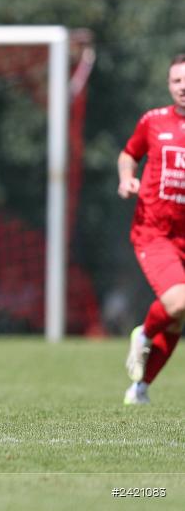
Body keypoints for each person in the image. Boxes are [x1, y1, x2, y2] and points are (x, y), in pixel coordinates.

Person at [119, 54, 185, 404]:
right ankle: (143, 334)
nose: (183, 87)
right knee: (177, 304)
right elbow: (129, 153)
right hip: (154, 232)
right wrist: (126, 177)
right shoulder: (154, 121)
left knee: (176, 320)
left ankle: (140, 389)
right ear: (169, 85)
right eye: (177, 81)